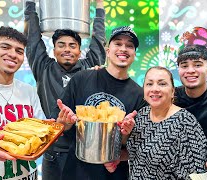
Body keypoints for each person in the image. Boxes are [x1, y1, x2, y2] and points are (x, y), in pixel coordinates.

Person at [23, 0, 106, 179]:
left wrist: (100, 7)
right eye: (61, 45)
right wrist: (30, 4)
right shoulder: (43, 67)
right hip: (53, 154)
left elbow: (98, 40)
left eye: (72, 45)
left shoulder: (89, 67)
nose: (67, 49)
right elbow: (32, 38)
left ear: (79, 51)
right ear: (53, 50)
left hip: (85, 152)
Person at [54, 26, 147, 179]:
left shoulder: (140, 95)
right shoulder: (81, 78)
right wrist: (65, 123)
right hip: (76, 171)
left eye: (129, 45)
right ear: (107, 50)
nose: (123, 49)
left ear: (134, 54)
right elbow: (60, 126)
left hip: (113, 174)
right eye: (117, 43)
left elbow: (134, 147)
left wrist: (125, 134)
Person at [105, 66, 207, 179]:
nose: (155, 89)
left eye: (162, 84)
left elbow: (198, 174)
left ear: (172, 91)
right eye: (149, 84)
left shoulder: (186, 123)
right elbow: (139, 154)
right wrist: (121, 146)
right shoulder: (142, 115)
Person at [0, 26, 46, 179]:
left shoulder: (29, 91)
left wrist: (60, 124)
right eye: (5, 47)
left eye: (19, 51)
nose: (13, 54)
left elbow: (41, 132)